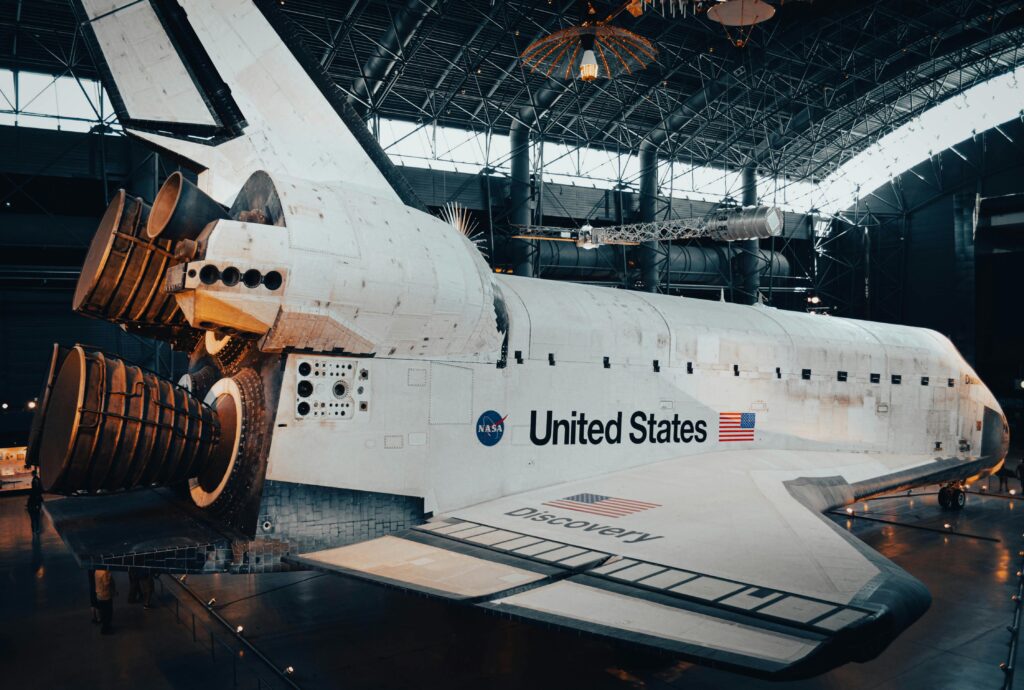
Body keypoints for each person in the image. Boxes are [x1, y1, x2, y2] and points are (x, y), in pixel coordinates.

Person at [95, 569, 116, 634]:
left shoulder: (97, 571)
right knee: (108, 612)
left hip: (99, 594)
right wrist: (110, 576)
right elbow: (106, 584)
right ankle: (105, 629)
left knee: (103, 613)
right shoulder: (105, 572)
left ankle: (106, 627)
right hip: (106, 595)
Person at [25, 468, 43, 535]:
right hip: (36, 500)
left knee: (33, 519)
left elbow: (35, 488)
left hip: (35, 499)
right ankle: (36, 529)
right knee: (37, 517)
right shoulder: (37, 479)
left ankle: (34, 530)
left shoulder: (35, 480)